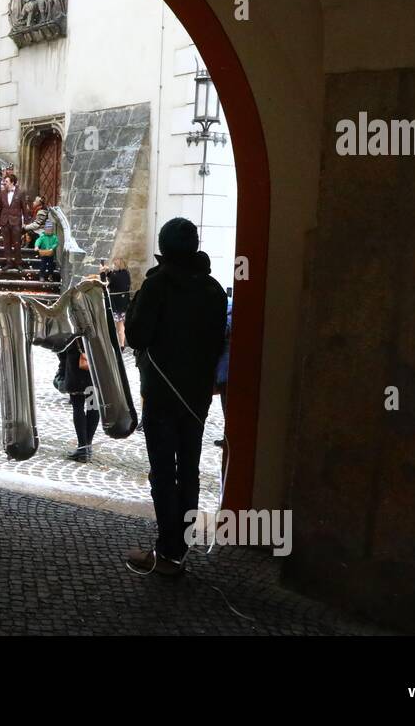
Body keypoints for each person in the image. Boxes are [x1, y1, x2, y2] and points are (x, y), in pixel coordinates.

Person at [123, 217, 227, 576]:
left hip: (163, 394)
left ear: (164, 248)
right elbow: (216, 344)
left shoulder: (158, 286)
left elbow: (136, 337)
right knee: (190, 472)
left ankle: (169, 551)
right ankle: (177, 549)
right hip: (196, 398)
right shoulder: (214, 290)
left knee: (164, 472)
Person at [58, 338, 98, 462]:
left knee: (78, 405)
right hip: (96, 361)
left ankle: (83, 447)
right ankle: (87, 446)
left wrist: (62, 366)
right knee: (93, 406)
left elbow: (62, 343)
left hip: (75, 363)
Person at [99, 257, 132, 349]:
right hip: (123, 303)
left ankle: (116, 344)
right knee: (120, 324)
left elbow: (105, 284)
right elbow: (115, 278)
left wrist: (102, 272)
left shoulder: (116, 275)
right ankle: (121, 344)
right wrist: (108, 272)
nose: (113, 265)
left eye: (114, 264)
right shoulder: (125, 273)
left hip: (117, 304)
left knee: (117, 324)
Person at [0, 175, 28, 270]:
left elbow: (24, 208)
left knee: (17, 243)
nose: (4, 183)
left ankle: (18, 263)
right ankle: (9, 262)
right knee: (6, 243)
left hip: (16, 221)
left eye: (6, 181)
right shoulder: (1, 193)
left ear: (12, 182)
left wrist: (26, 221)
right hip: (5, 221)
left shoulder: (20, 192)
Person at [214, 291, 232, 450]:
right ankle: (227, 436)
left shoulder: (229, 312)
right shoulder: (229, 309)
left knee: (228, 406)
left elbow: (222, 333)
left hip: (226, 371)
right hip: (225, 371)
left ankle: (229, 437)